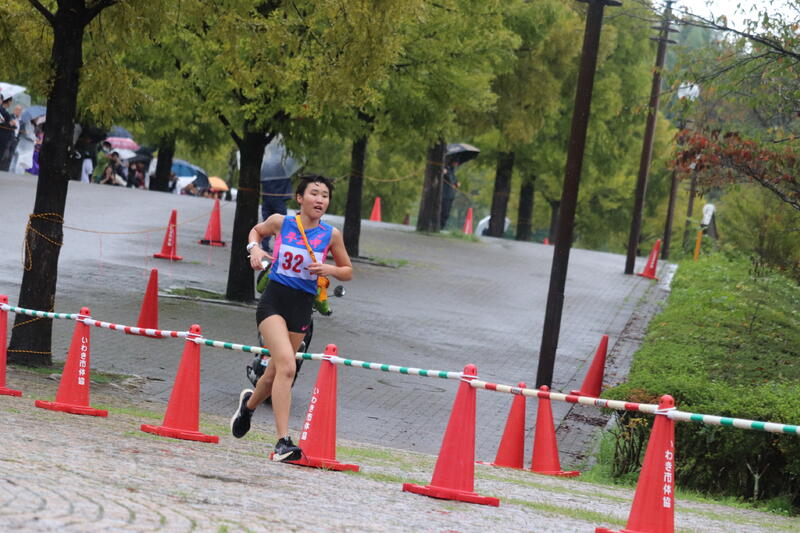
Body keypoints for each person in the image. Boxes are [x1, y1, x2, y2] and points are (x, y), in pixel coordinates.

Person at [230, 174, 352, 462]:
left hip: (302, 307)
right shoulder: (281, 222)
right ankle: (282, 442)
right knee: (287, 367)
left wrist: (329, 270)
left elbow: (347, 270)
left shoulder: (331, 235)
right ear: (300, 198)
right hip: (273, 301)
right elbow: (255, 232)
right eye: (314, 193)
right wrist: (254, 249)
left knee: (274, 374)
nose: (320, 199)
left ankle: (248, 406)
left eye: (325, 195)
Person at [440, 159, 460, 229]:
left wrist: (456, 184)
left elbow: (454, 181)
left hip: (450, 195)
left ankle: (442, 226)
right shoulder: (446, 169)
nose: (456, 164)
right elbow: (448, 178)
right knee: (443, 211)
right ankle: (439, 226)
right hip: (444, 195)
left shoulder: (452, 171)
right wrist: (445, 172)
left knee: (447, 213)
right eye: (456, 162)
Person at [0, 95, 17, 171]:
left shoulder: (3, 110)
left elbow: (8, 119)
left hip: (4, 135)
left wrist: (11, 122)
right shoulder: (2, 109)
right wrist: (9, 123)